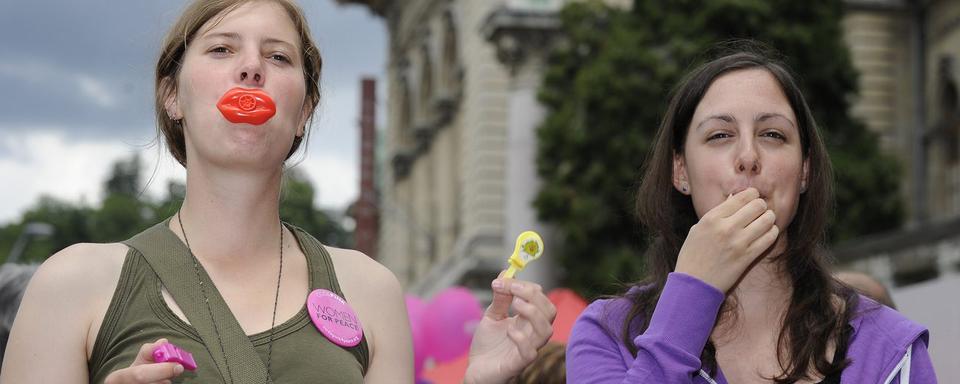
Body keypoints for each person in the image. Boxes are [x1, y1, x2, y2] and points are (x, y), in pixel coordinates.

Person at [0, 1, 556, 383]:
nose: (250, 69)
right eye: (220, 50)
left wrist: (478, 379)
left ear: (303, 110)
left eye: (278, 57)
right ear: (172, 95)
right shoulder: (70, 285)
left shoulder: (369, 290)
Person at [566, 44, 937, 383]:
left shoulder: (891, 352)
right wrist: (691, 296)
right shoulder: (609, 335)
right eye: (720, 136)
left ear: (805, 170)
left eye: (773, 134)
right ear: (680, 171)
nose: (748, 157)